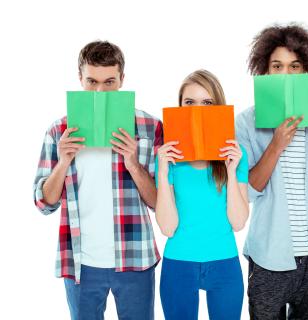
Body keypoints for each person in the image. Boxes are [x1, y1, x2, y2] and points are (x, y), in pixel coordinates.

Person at [33, 40, 162, 320]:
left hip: (135, 258)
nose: (100, 91)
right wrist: (64, 160)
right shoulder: (59, 130)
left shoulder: (150, 128)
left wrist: (133, 163)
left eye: (109, 82)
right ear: (80, 78)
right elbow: (43, 202)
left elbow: (159, 204)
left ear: (122, 80)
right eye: (92, 81)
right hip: (81, 264)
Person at [235, 24, 308, 319]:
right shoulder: (246, 122)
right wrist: (276, 145)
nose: (286, 74)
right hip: (269, 257)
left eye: (295, 66)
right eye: (277, 66)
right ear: (265, 72)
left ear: (306, 71)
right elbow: (249, 190)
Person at [155, 69, 249, 320]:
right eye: (190, 102)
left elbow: (238, 223)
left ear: (218, 106)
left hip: (224, 262)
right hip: (178, 263)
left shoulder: (236, 154)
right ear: (180, 107)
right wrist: (162, 173)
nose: (198, 110)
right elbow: (167, 228)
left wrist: (230, 171)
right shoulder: (168, 159)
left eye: (207, 103)